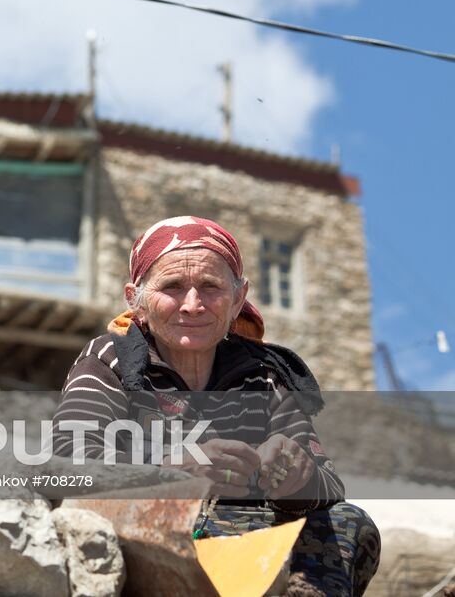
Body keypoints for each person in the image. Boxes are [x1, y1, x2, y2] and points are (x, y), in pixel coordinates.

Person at [53, 216, 380, 597]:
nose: (193, 305)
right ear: (135, 300)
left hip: (246, 537)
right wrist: (172, 471)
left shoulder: (262, 374)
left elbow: (330, 486)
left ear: (238, 299)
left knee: (347, 522)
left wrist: (297, 476)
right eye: (172, 287)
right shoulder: (112, 358)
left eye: (210, 287)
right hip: (153, 532)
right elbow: (67, 462)